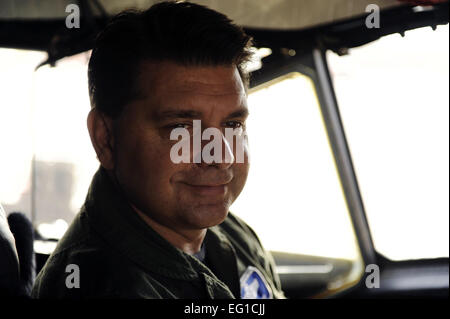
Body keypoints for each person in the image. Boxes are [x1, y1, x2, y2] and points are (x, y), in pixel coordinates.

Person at [32, 1, 284, 299]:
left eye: (232, 125)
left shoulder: (233, 235)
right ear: (106, 138)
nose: (221, 155)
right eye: (182, 129)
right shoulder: (100, 287)